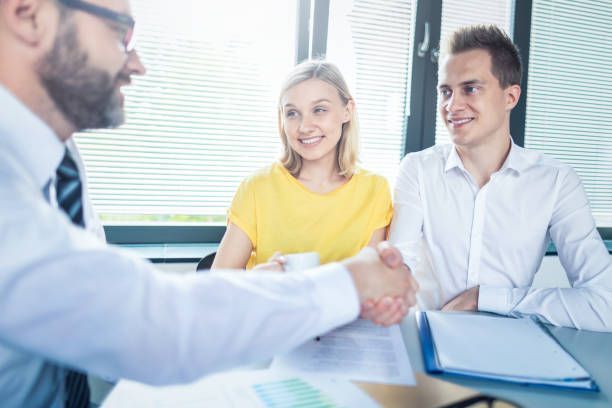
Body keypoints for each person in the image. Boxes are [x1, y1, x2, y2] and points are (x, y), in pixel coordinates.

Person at [0, 0, 418, 407]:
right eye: (118, 33)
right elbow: (155, 326)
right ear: (28, 15)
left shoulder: (61, 165)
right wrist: (351, 280)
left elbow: (98, 317)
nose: (138, 65)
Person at [389, 24, 611, 331]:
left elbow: (605, 305)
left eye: (471, 88)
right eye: (445, 91)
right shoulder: (417, 169)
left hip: (509, 346)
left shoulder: (557, 182)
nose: (452, 106)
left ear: (510, 97)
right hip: (428, 342)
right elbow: (398, 271)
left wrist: (488, 299)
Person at [212, 60, 392, 272]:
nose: (304, 127)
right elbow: (216, 290)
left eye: (319, 110)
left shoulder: (375, 190)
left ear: (347, 110)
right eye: (292, 113)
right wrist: (257, 280)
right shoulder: (257, 188)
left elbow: (371, 284)